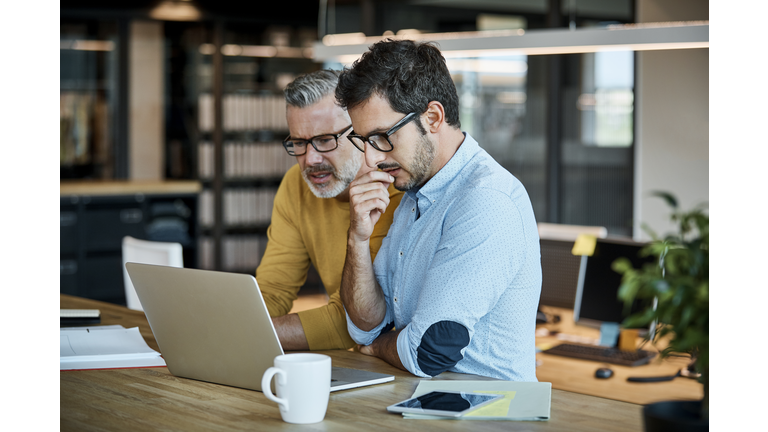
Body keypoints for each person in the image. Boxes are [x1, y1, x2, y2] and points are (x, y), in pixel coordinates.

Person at [336, 39, 541, 381]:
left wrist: (379, 348)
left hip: (487, 414)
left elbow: (429, 351)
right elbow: (366, 327)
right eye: (364, 141)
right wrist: (357, 239)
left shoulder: (486, 200)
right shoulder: (414, 194)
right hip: (425, 404)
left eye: (383, 137)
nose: (371, 159)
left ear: (433, 117)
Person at [257, 69, 403, 351]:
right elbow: (272, 292)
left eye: (325, 140)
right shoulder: (295, 186)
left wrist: (249, 333)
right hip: (355, 363)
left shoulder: (395, 191)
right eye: (299, 143)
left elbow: (354, 322)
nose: (311, 159)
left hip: (406, 369)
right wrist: (226, 324)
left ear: (360, 132)